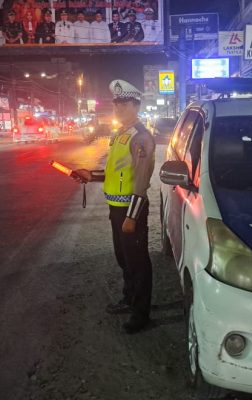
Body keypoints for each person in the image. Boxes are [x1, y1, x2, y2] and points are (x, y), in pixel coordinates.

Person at [74, 79, 155, 334]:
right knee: (124, 259)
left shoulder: (141, 137)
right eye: (115, 103)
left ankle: (141, 314)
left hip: (131, 209)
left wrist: (131, 217)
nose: (116, 107)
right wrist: (91, 175)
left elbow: (141, 182)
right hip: (116, 208)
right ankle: (129, 298)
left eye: (121, 103)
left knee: (138, 262)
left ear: (134, 104)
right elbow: (114, 173)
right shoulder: (121, 134)